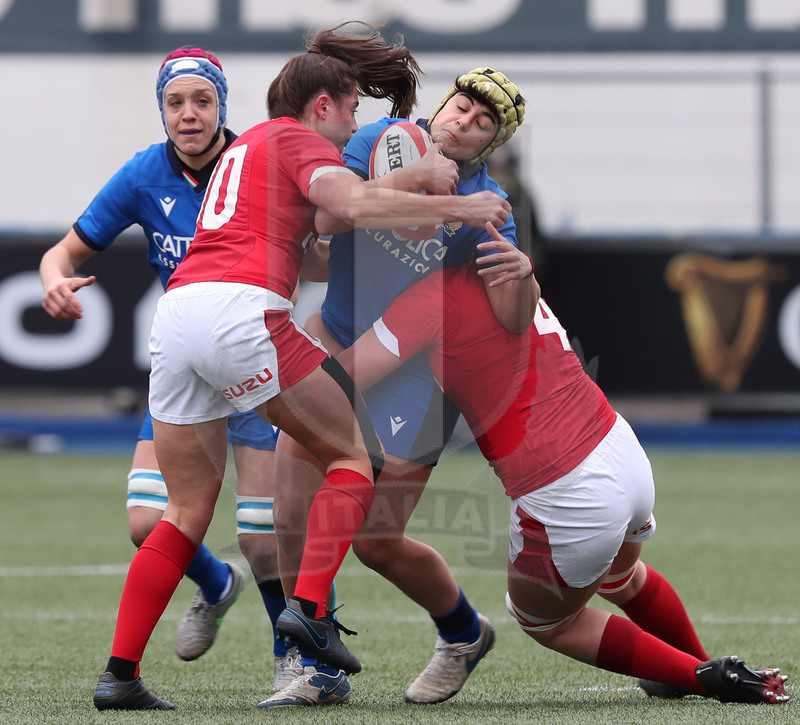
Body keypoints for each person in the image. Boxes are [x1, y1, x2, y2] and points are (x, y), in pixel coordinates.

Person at [89, 22, 513, 711]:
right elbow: (341, 205)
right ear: (322, 106)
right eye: (348, 108)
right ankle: (312, 622)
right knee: (343, 467)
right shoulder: (316, 141)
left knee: (198, 509)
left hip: (186, 317)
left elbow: (321, 226)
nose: (354, 122)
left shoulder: (250, 145)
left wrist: (417, 190)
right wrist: (451, 202)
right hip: (253, 316)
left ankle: (120, 672)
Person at [337, 245, 790, 706]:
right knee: (622, 575)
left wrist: (271, 375)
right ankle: (703, 663)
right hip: (619, 447)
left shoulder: (427, 295)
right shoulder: (501, 268)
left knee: (548, 622)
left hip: (567, 489)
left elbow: (344, 377)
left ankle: (703, 676)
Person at [39, 47, 304, 690]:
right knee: (145, 523)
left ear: (222, 106)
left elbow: (319, 243)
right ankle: (215, 585)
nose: (189, 115)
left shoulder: (260, 165)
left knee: (262, 538)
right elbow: (63, 253)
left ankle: (293, 660)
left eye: (202, 101)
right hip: (187, 363)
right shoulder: (143, 175)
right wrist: (54, 282)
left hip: (248, 360)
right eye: (175, 103)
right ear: (162, 111)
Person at [269, 67, 535, 708]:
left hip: (418, 384)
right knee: (291, 518)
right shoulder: (383, 139)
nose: (465, 122)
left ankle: (463, 633)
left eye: (483, 122)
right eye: (463, 106)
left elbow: (512, 321)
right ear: (444, 104)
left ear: (492, 142)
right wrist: (417, 182)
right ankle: (311, 665)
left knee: (376, 543)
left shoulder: (489, 208)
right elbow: (329, 222)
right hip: (336, 343)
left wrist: (521, 276)